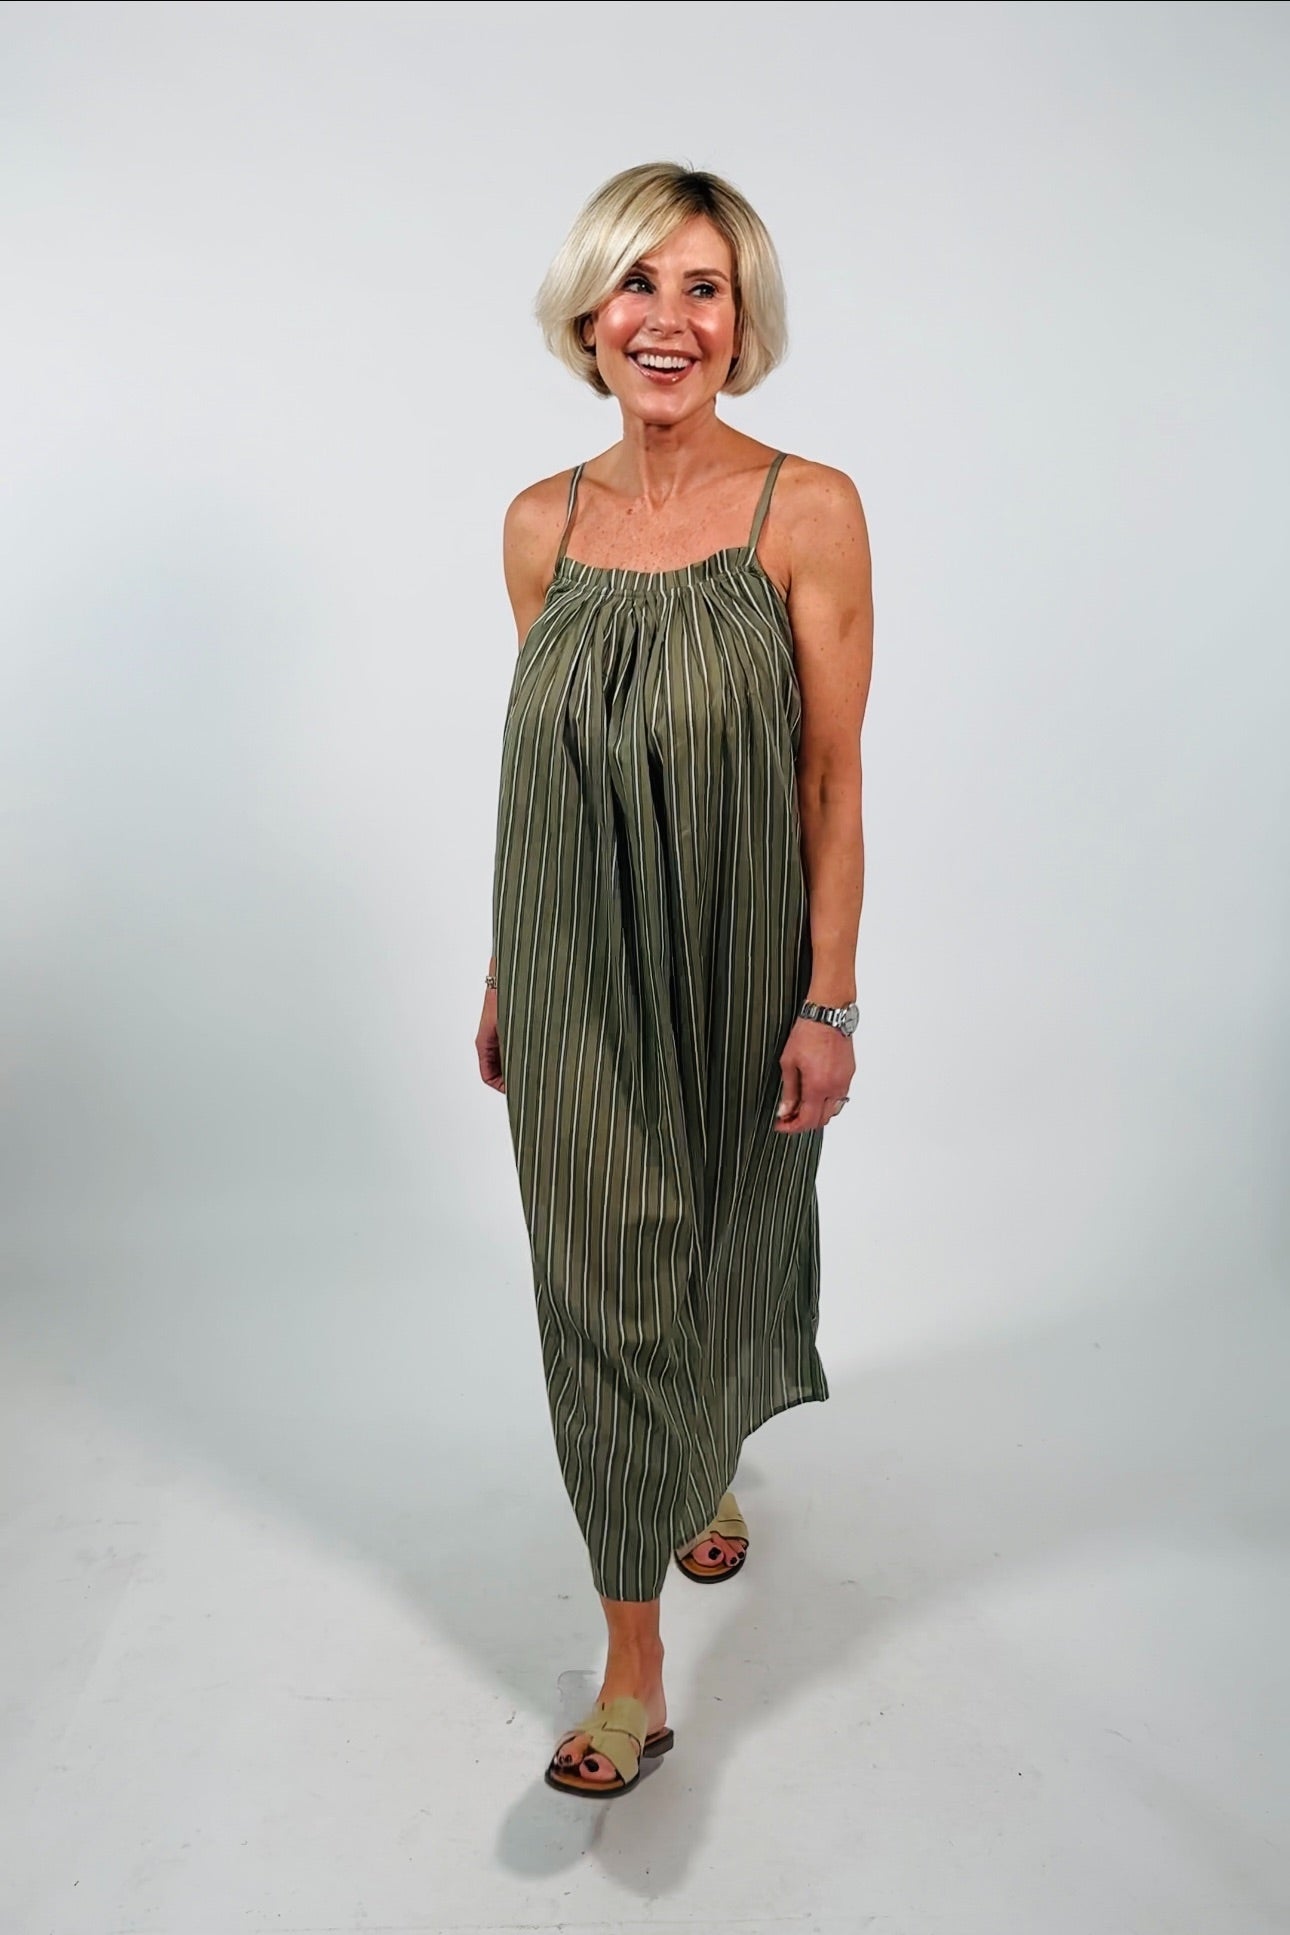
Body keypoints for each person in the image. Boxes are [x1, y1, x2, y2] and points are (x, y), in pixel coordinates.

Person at [475, 161, 873, 1798]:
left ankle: (700, 1454)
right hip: (570, 952)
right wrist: (506, 963)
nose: (667, 319)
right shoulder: (539, 527)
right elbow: (548, 770)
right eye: (637, 283)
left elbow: (830, 777)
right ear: (587, 313)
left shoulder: (808, 509)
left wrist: (826, 1001)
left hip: (741, 946)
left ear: (739, 319)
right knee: (601, 1275)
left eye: (702, 287)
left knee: (722, 1227)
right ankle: (632, 1669)